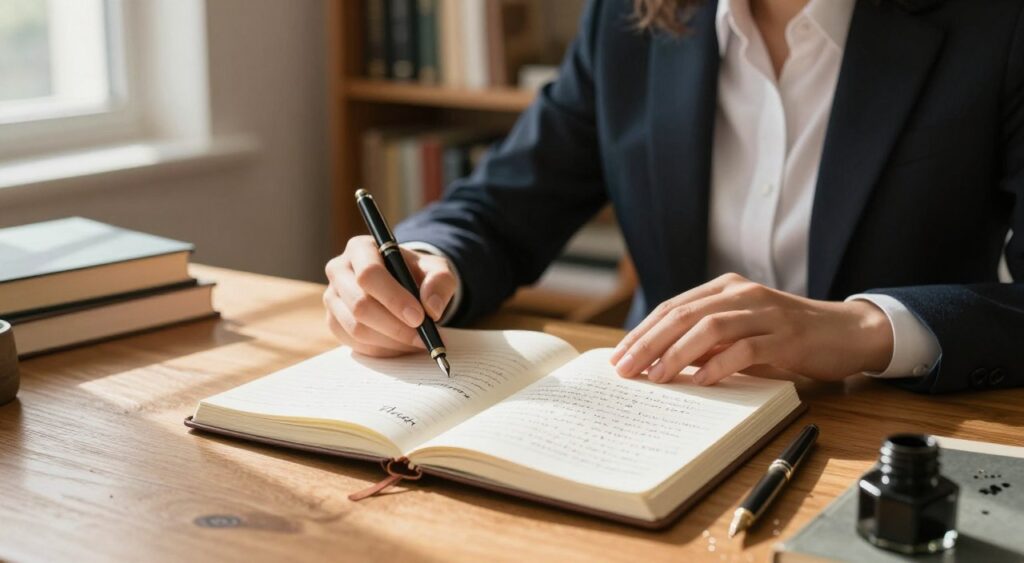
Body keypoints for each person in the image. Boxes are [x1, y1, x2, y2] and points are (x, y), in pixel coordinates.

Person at [324, 0, 1024, 394]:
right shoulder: (628, 18)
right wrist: (418, 260)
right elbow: (506, 200)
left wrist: (863, 329)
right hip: (661, 413)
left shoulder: (997, 24)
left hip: (893, 429)